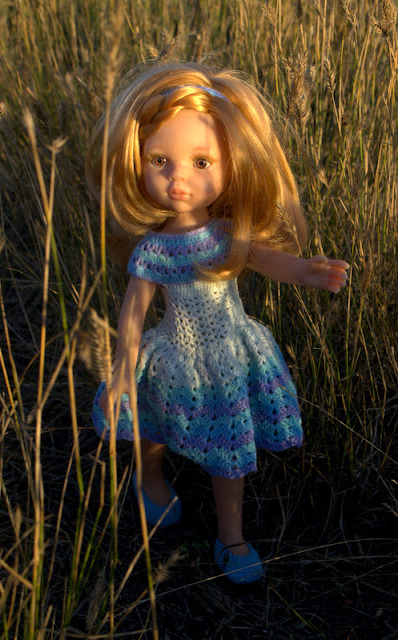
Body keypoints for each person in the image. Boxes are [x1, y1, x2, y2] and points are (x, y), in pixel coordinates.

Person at [86, 62, 349, 584]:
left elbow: (266, 259)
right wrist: (122, 364)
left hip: (229, 356)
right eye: (159, 160)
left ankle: (231, 536)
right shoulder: (154, 249)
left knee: (231, 450)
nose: (177, 176)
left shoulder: (227, 235)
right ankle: (149, 479)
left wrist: (307, 271)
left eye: (201, 161)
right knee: (152, 425)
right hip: (173, 355)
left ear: (232, 165)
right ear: (136, 161)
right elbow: (134, 311)